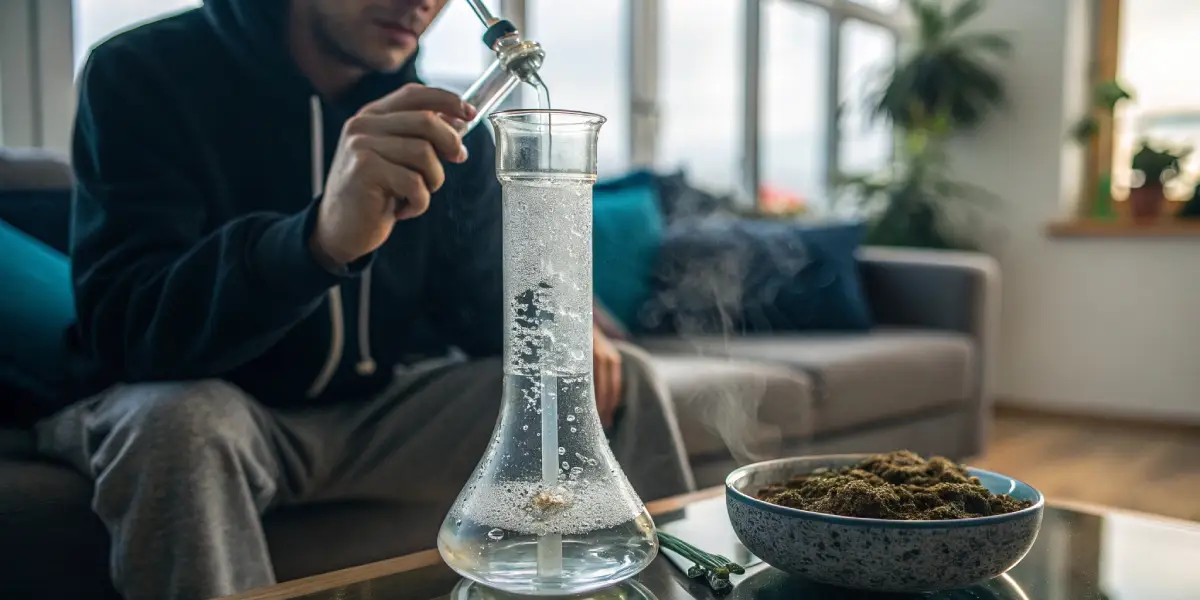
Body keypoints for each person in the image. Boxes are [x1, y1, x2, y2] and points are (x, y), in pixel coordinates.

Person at [34, 1, 696, 599]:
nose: (422, 4)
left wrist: (562, 336)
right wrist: (316, 240)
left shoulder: (439, 119)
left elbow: (475, 309)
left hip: (372, 414)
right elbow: (127, 330)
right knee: (180, 424)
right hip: (208, 410)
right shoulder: (142, 74)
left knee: (617, 382)